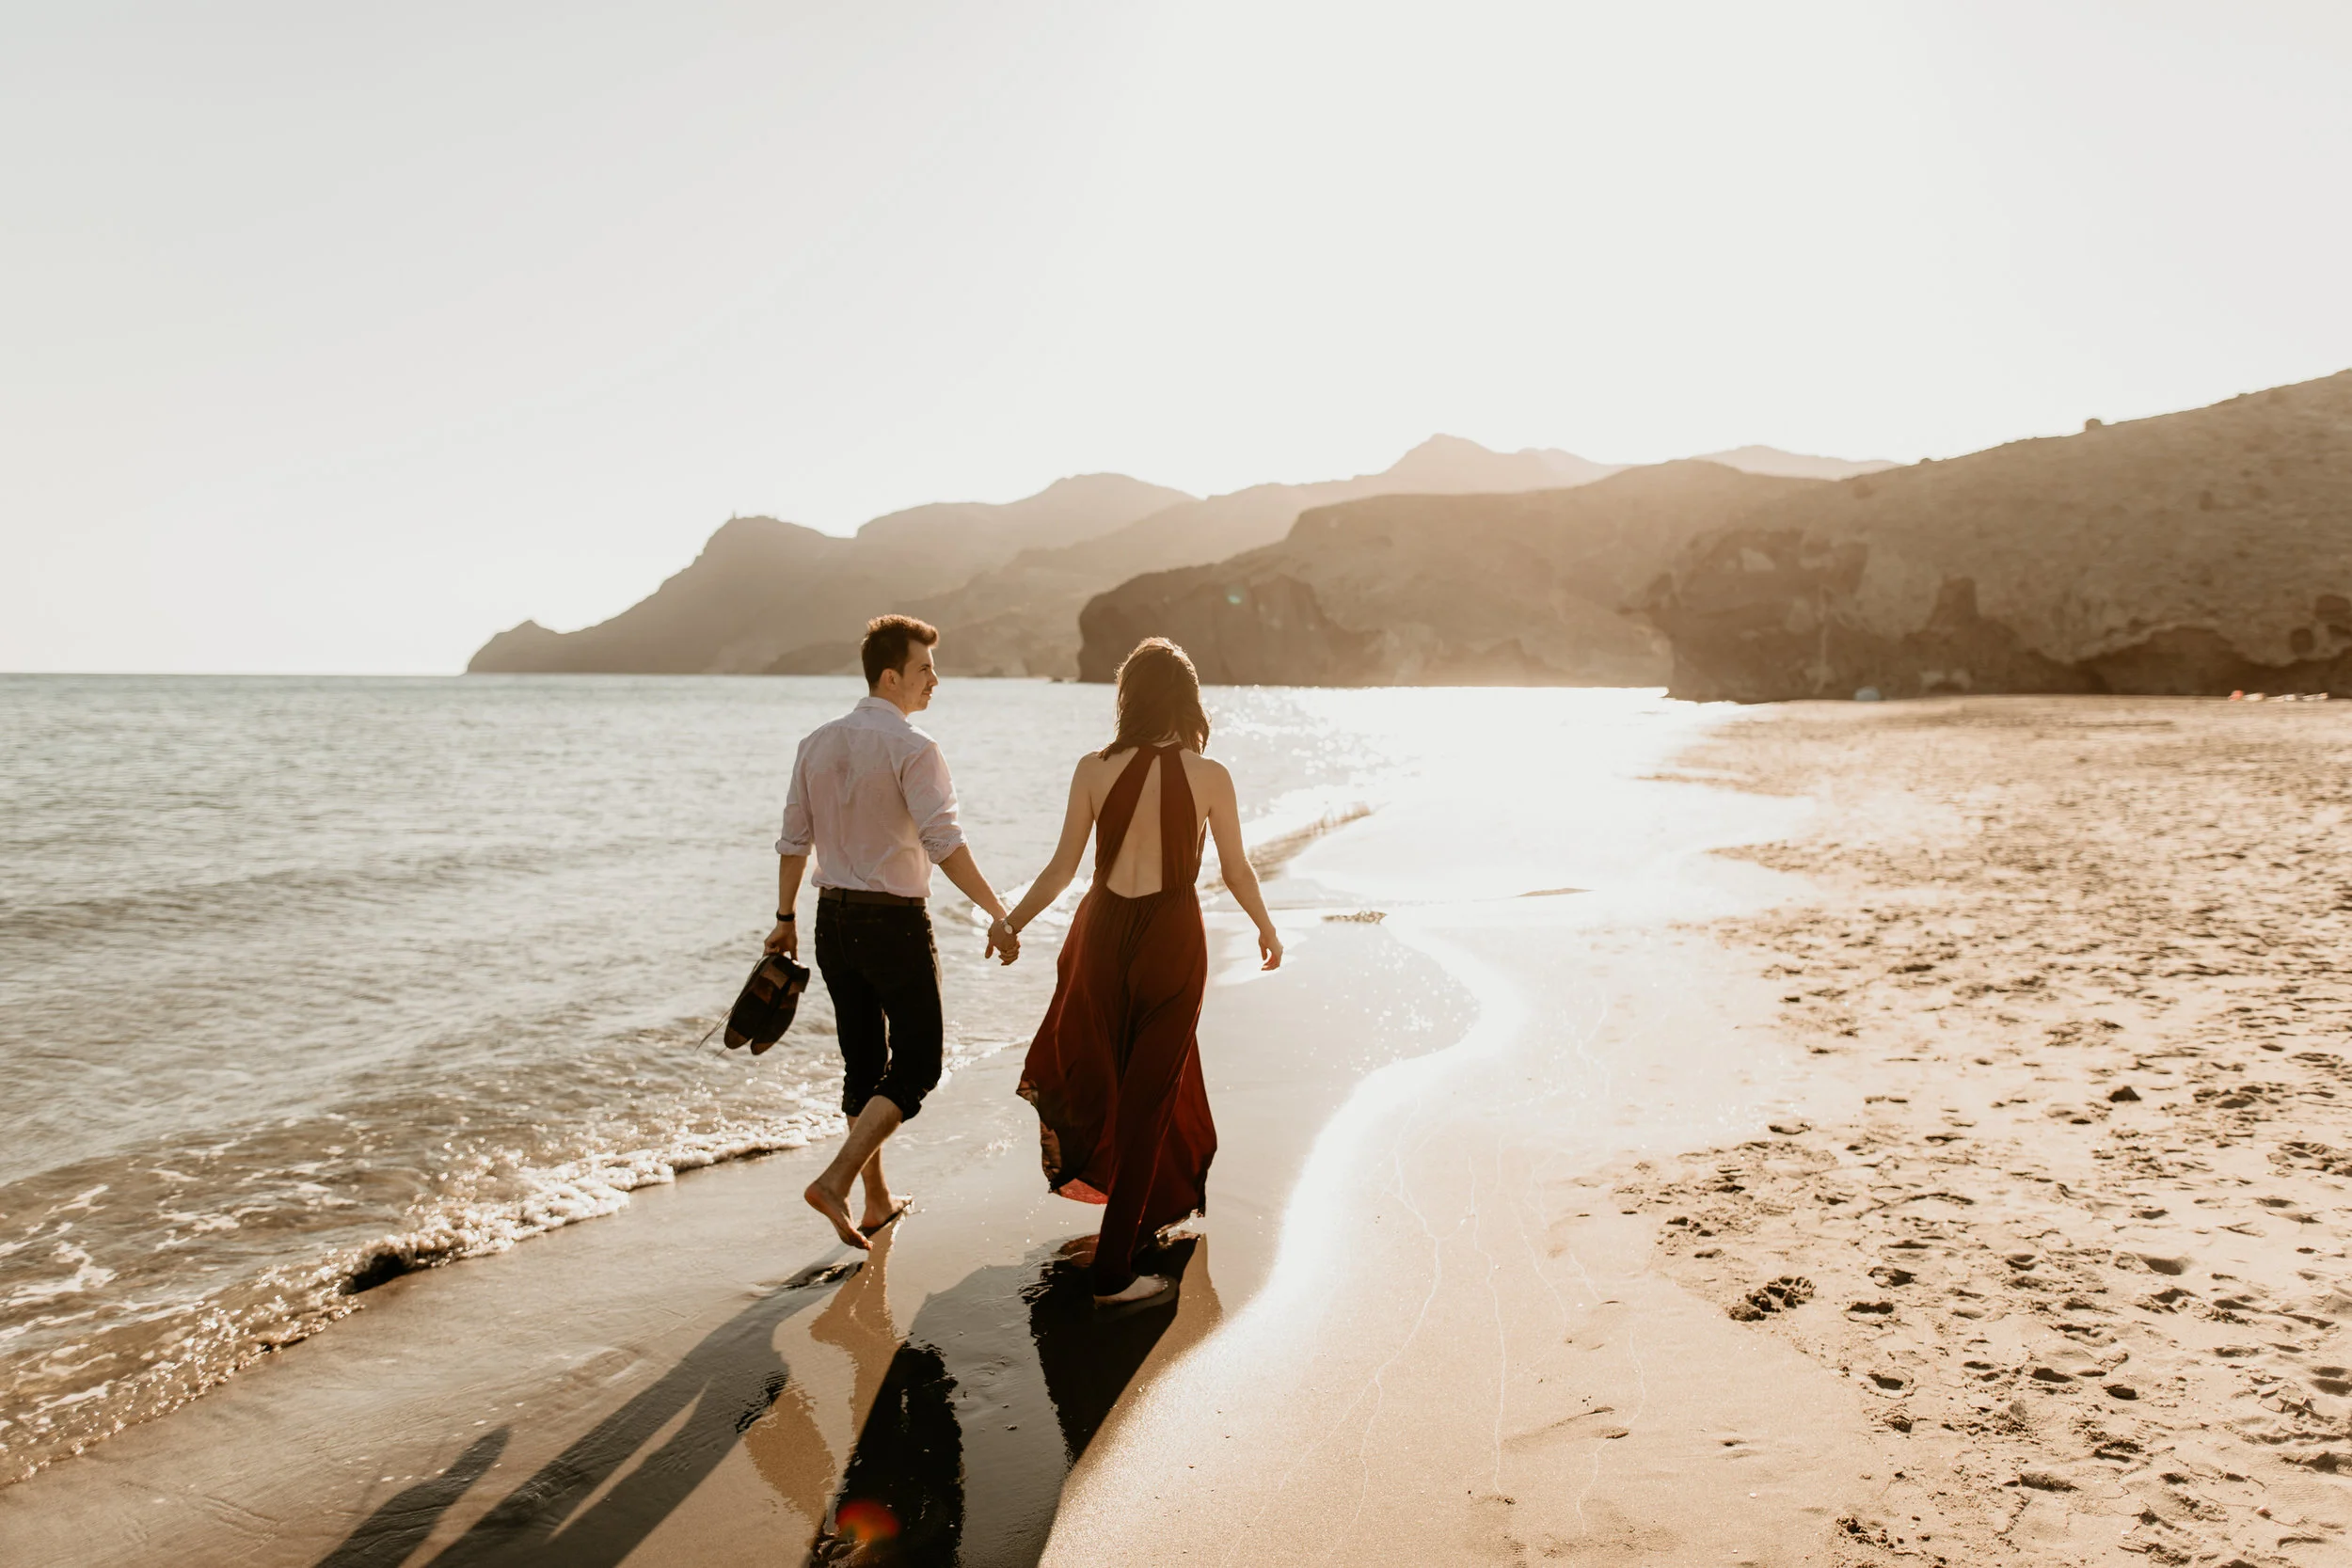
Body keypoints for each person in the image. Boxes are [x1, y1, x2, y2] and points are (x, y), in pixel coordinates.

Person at [1002, 638, 1283, 1306]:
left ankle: (1127, 1229)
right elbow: (1236, 869)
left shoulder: (1093, 769)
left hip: (1100, 935)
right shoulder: (1211, 775)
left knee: (1106, 1072)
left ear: (1129, 696)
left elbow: (1062, 868)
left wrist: (1011, 920)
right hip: (1172, 938)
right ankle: (1114, 1269)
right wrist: (1266, 925)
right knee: (1150, 1095)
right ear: (1187, 698)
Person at [769, 614, 1021, 1252]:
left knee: (863, 1060)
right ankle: (837, 1179)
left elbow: (794, 842)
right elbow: (945, 843)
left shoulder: (815, 743)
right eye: (924, 668)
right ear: (891, 675)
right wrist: (997, 910)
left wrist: (784, 919)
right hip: (893, 923)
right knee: (917, 1063)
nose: (935, 680)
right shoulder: (914, 748)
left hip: (832, 920)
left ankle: (875, 1199)